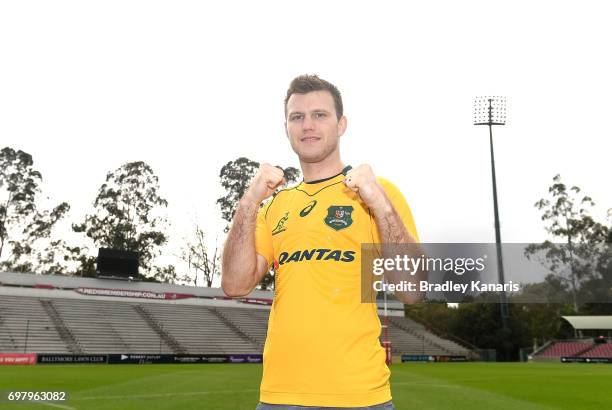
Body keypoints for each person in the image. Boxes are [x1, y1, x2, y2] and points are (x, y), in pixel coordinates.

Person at [222, 74, 422, 410]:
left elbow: (412, 289)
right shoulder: (274, 205)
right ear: (286, 127)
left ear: (341, 124)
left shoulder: (377, 193)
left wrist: (379, 203)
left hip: (360, 396)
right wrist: (248, 202)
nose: (307, 125)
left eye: (320, 115)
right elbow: (234, 284)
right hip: (279, 396)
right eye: (297, 117)